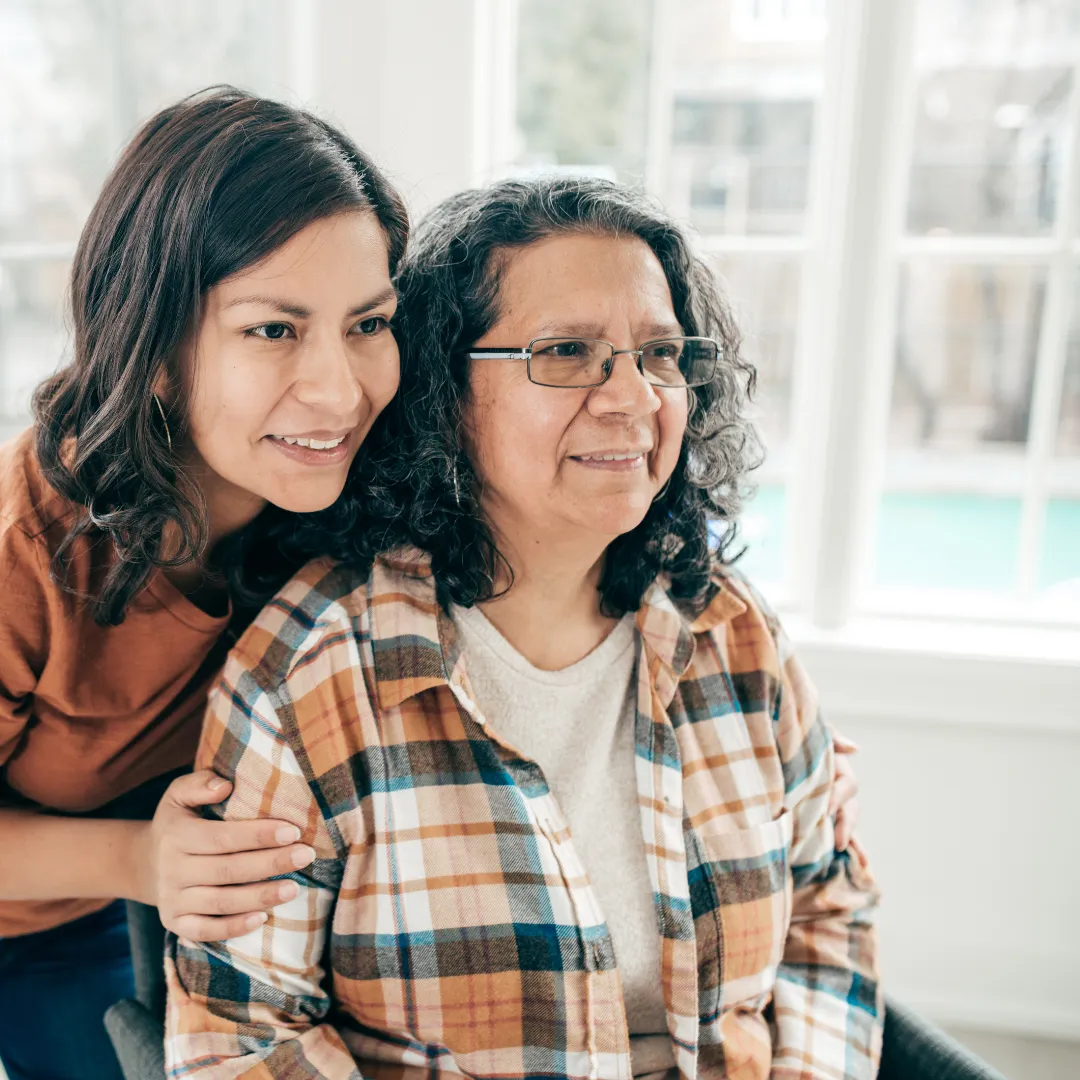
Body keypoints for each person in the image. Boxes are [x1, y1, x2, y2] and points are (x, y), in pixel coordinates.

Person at [166, 176, 881, 1079]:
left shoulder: (735, 633)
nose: (633, 398)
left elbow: (828, 910)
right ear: (445, 390)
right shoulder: (312, 675)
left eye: (658, 354)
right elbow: (241, 1039)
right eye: (569, 351)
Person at [0, 87, 407, 1080]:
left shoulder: (342, 498)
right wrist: (136, 861)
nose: (340, 389)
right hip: (41, 916)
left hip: (178, 892)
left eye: (368, 323)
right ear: (154, 353)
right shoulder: (24, 548)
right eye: (274, 330)